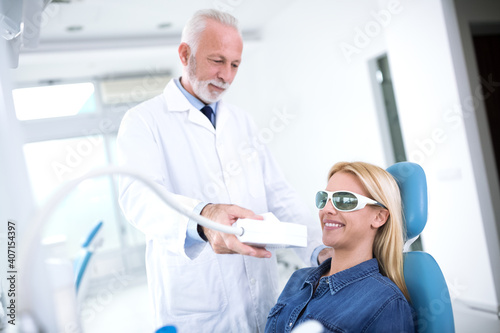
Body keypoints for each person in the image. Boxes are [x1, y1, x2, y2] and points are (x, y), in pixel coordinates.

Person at [117, 9, 329, 332]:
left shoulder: (241, 121)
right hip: (197, 309)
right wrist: (203, 218)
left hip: (261, 296)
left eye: (235, 65)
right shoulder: (143, 121)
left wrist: (318, 249)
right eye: (217, 61)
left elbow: (279, 195)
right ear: (185, 54)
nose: (227, 76)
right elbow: (138, 197)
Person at [265, 161, 415, 333]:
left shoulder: (386, 303)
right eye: (324, 199)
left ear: (379, 217)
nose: (327, 209)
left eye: (345, 201)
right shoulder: (299, 279)